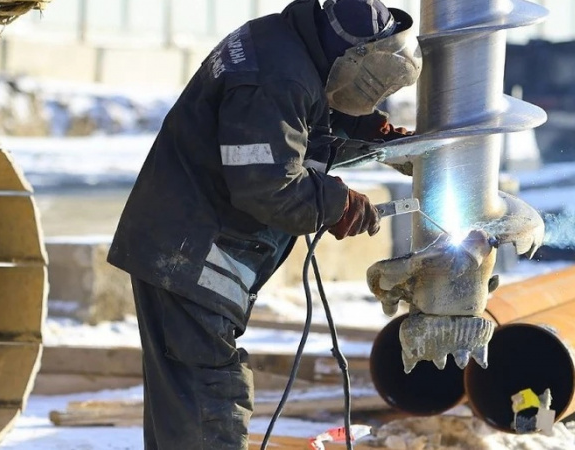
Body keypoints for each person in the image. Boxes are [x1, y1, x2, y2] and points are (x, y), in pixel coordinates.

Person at [106, 0, 421, 448]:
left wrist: (371, 132)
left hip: (176, 246)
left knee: (182, 413)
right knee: (210, 405)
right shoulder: (278, 77)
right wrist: (337, 202)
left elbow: (297, 125)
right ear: (352, 55)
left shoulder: (285, 42)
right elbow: (266, 186)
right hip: (191, 257)